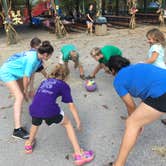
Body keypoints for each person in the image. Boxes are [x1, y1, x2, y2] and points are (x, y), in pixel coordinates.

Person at [24, 64, 94, 166]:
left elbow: (38, 95)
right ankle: (79, 154)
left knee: (36, 122)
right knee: (68, 124)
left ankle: (29, 144)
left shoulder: (44, 81)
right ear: (66, 76)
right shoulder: (63, 85)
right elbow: (71, 106)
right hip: (50, 111)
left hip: (34, 108)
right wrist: (78, 121)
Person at [105, 56, 166, 166]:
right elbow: (148, 89)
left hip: (162, 93)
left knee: (131, 123)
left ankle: (118, 164)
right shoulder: (140, 65)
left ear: (113, 70)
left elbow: (131, 105)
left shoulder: (118, 80)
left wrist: (137, 124)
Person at [0, 41, 54, 139]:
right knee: (19, 97)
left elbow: (31, 73)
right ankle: (17, 130)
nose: (50, 58)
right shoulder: (32, 59)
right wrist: (25, 90)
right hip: (7, 72)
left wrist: (31, 89)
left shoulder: (38, 58)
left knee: (23, 96)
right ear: (46, 55)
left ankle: (36, 112)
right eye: (50, 55)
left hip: (17, 71)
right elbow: (26, 77)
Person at [145, 28, 166, 125]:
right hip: (160, 71)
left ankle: (149, 106)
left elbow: (153, 59)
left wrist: (142, 64)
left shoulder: (155, 47)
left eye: (150, 39)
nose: (148, 41)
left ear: (156, 39)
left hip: (158, 72)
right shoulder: (159, 46)